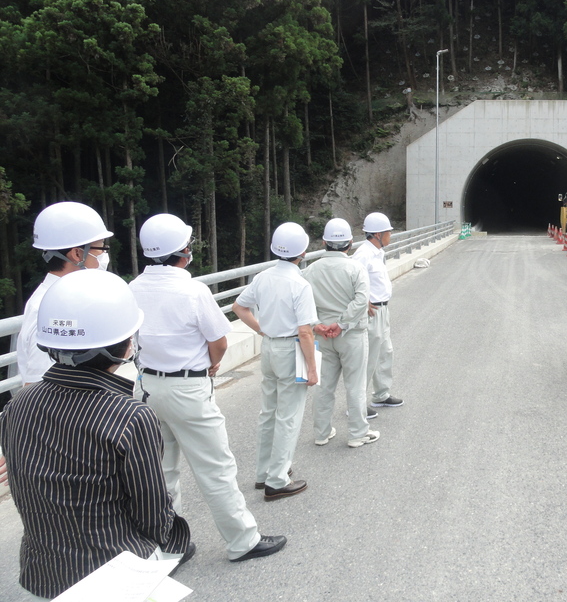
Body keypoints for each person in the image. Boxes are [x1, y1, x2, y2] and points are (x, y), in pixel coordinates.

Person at [0, 270, 192, 600]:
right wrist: (176, 538)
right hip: (114, 574)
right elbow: (152, 512)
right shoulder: (130, 416)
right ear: (124, 345)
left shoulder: (18, 404)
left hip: (42, 574)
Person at [131, 214, 286, 562]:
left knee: (161, 470)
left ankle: (169, 545)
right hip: (188, 389)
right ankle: (242, 541)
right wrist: (212, 364)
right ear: (182, 251)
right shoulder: (192, 290)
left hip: (148, 389)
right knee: (215, 468)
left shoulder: (132, 288)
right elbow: (218, 340)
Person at [233, 222, 318, 501]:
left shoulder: (262, 277)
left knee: (268, 412)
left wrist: (261, 329)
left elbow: (239, 307)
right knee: (289, 416)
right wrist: (312, 369)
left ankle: (263, 473)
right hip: (291, 349)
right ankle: (278, 479)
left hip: (268, 347)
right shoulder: (300, 284)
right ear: (302, 252)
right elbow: (305, 331)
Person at [303, 218, 380, 448]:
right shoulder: (355, 268)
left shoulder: (310, 270)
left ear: (324, 242)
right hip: (351, 335)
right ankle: (357, 433)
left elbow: (303, 303)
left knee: (324, 385)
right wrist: (343, 323)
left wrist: (318, 324)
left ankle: (322, 432)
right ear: (349, 243)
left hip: (321, 335)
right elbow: (360, 300)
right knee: (355, 385)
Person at [17, 201, 112, 385]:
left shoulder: (67, 299)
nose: (103, 256)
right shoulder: (49, 309)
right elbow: (36, 386)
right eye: (100, 249)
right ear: (77, 254)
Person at [353, 212, 404, 411]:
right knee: (368, 358)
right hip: (371, 313)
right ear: (377, 234)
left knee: (385, 352)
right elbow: (351, 280)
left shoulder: (378, 252)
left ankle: (381, 395)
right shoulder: (363, 254)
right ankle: (356, 405)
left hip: (383, 310)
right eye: (388, 232)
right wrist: (362, 301)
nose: (391, 235)